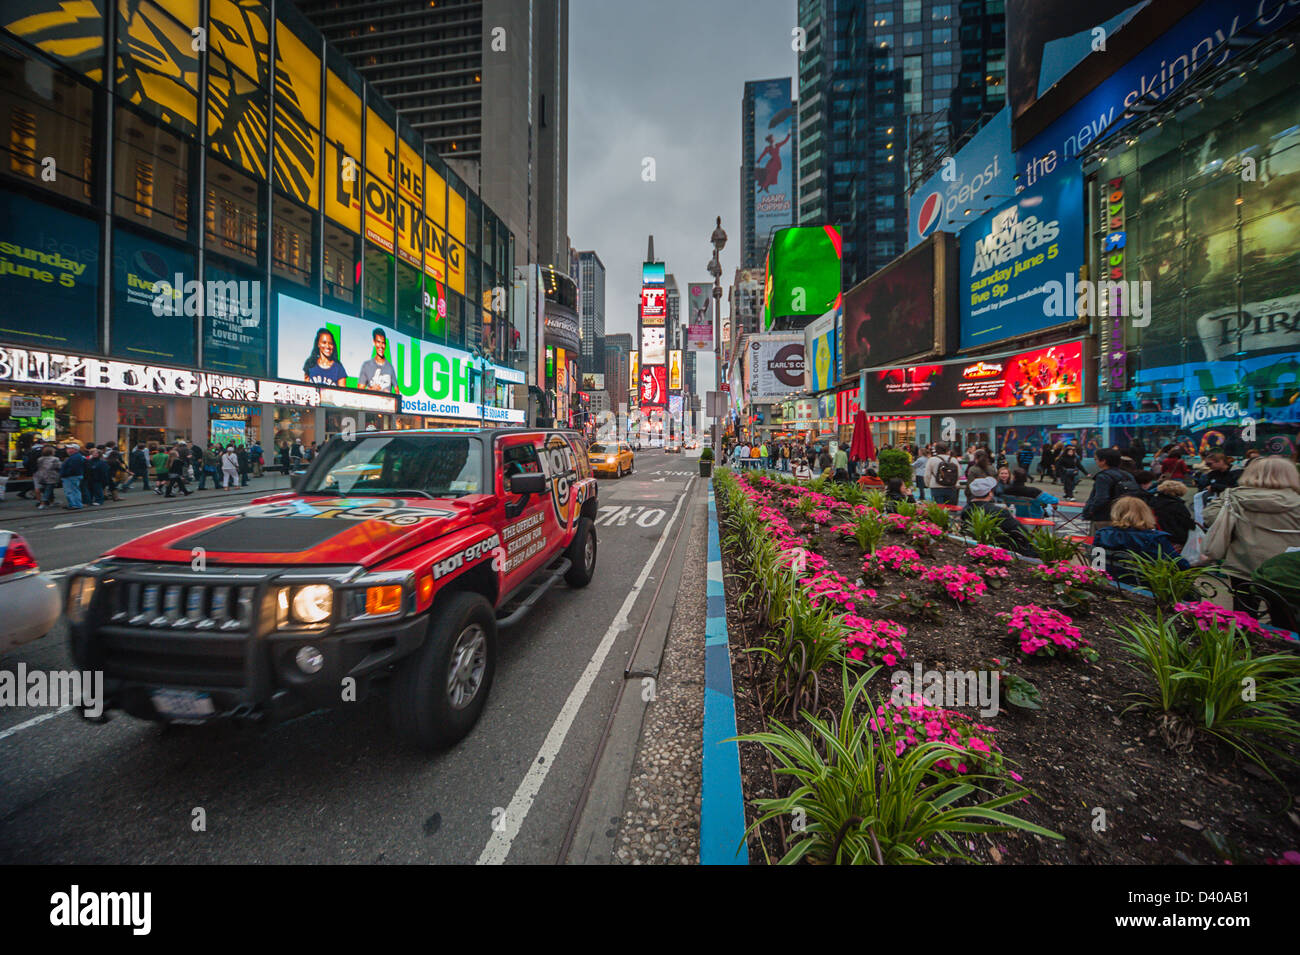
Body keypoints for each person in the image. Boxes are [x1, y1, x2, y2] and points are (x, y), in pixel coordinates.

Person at [1202, 457, 1300, 579]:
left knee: (1243, 597)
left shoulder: (1231, 497)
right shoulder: (1296, 500)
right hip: (1287, 568)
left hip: (1242, 564)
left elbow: (1210, 518)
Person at [1095, 496, 1188, 584]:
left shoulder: (1103, 534)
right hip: (1144, 585)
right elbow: (1181, 565)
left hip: (1109, 581)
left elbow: (1097, 563)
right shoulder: (1155, 538)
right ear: (1146, 513)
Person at [961, 476, 1034, 555]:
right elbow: (1021, 531)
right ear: (990, 493)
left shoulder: (966, 509)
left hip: (978, 545)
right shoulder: (999, 512)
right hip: (1004, 548)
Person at [1081, 447, 1141, 532]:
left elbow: (1101, 498)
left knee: (1100, 542)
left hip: (1104, 517)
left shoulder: (1103, 477)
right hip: (1125, 516)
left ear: (1103, 461)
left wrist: (1090, 511)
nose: (1096, 462)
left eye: (1096, 459)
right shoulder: (1127, 475)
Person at [1149, 480, 1195, 549]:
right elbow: (1187, 522)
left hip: (1157, 534)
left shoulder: (1153, 501)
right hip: (1175, 536)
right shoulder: (1177, 505)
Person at [358, 328, 398, 392]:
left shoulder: (390, 367)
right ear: (374, 342)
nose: (381, 346)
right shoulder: (366, 365)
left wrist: (389, 395)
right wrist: (371, 390)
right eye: (378, 342)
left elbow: (397, 391)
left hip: (386, 401)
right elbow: (359, 391)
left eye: (383, 343)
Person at [33, 446, 61, 510]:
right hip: (51, 476)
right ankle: (43, 503)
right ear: (51, 452)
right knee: (48, 490)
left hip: (41, 476)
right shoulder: (55, 459)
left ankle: (51, 501)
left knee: (47, 489)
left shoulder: (40, 459)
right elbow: (58, 466)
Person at [60, 444, 86, 509]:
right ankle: (76, 504)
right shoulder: (76, 456)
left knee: (71, 491)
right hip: (74, 476)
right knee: (75, 490)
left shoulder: (75, 457)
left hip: (71, 476)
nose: (67, 450)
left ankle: (74, 504)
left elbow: (72, 468)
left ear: (75, 450)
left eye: (69, 448)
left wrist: (64, 474)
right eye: (67, 448)